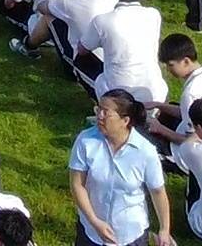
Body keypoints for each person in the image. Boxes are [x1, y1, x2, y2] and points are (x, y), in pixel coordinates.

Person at [66, 90, 168, 246]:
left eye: (106, 112)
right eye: (98, 109)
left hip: (130, 234)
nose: (99, 116)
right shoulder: (85, 140)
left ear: (125, 120)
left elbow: (157, 191)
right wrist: (94, 221)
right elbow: (77, 184)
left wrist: (164, 229)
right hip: (91, 232)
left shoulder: (145, 152)